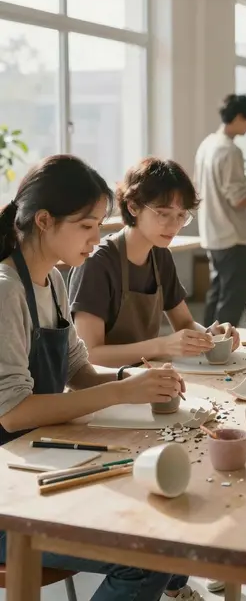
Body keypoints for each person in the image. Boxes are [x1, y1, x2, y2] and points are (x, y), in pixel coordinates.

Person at [0, 155, 194, 600]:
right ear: (45, 221)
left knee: (166, 508)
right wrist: (121, 391)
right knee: (148, 556)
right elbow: (12, 413)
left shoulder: (53, 282)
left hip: (35, 458)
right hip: (9, 489)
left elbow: (77, 371)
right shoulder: (7, 289)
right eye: (87, 226)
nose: (97, 237)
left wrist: (136, 381)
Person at [69, 157, 239, 368]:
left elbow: (184, 323)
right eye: (163, 213)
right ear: (133, 207)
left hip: (145, 376)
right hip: (103, 386)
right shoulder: (97, 263)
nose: (174, 225)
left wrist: (210, 336)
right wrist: (162, 346)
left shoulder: (160, 256)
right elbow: (91, 354)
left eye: (181, 215)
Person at [195, 94, 246, 328]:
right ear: (239, 117)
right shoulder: (230, 150)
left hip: (211, 231)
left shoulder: (207, 144)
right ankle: (223, 345)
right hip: (232, 234)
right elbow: (237, 200)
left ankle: (205, 340)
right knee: (233, 297)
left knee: (217, 292)